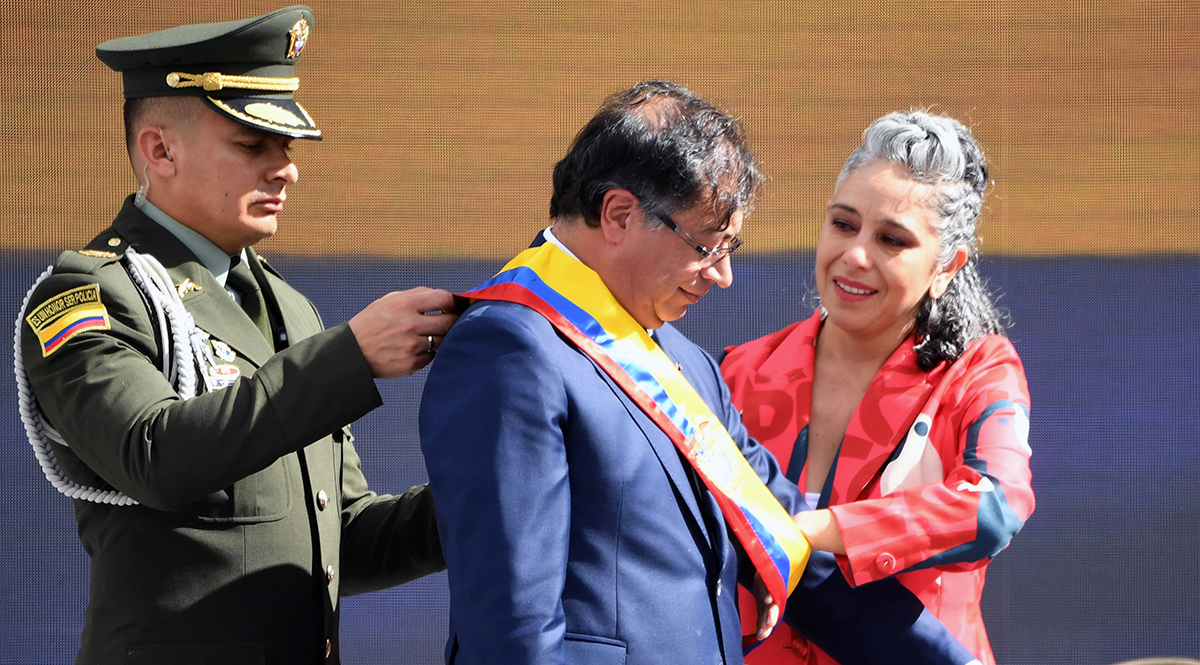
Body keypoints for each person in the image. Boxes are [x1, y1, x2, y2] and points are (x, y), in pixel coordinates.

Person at [419, 82, 985, 665]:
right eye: (709, 246)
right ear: (619, 214)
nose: (723, 277)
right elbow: (512, 630)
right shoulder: (510, 347)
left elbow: (783, 536)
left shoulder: (685, 363)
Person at [16, 7, 457, 664]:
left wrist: (492, 488)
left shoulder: (290, 306)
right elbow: (155, 454)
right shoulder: (91, 292)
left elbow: (345, 537)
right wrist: (350, 356)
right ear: (159, 150)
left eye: (287, 148)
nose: (286, 169)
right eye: (254, 145)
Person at [721, 110, 1035, 665]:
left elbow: (994, 508)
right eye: (843, 224)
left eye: (892, 240)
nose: (856, 254)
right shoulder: (738, 372)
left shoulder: (978, 372)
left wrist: (812, 530)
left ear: (946, 267)